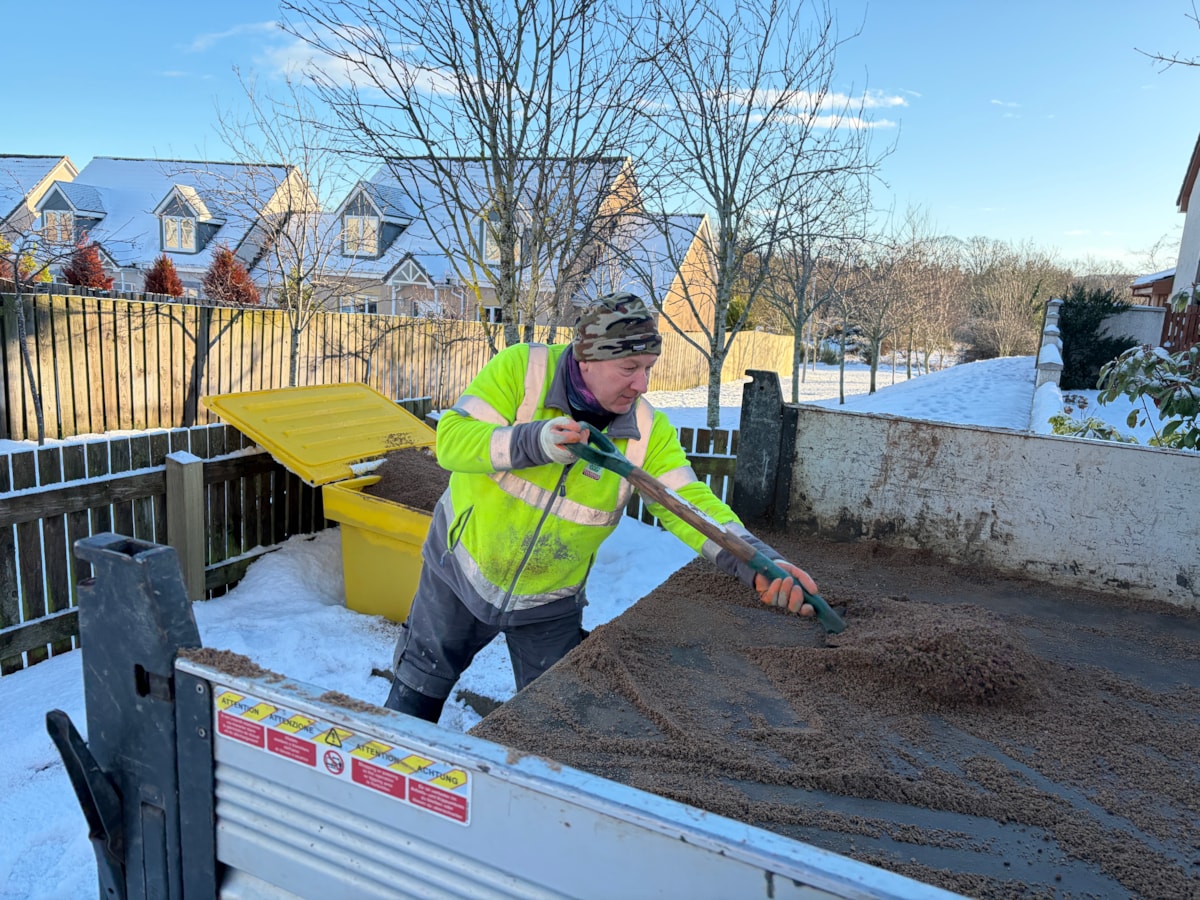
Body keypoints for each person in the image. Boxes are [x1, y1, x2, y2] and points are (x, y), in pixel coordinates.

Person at [384, 292, 820, 722]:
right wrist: (534, 441)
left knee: (556, 726)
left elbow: (687, 502)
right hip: (458, 572)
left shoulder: (646, 431)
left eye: (648, 368)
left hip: (549, 603)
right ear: (585, 358)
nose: (642, 384)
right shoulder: (524, 370)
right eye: (629, 368)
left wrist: (754, 560)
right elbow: (452, 441)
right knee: (415, 696)